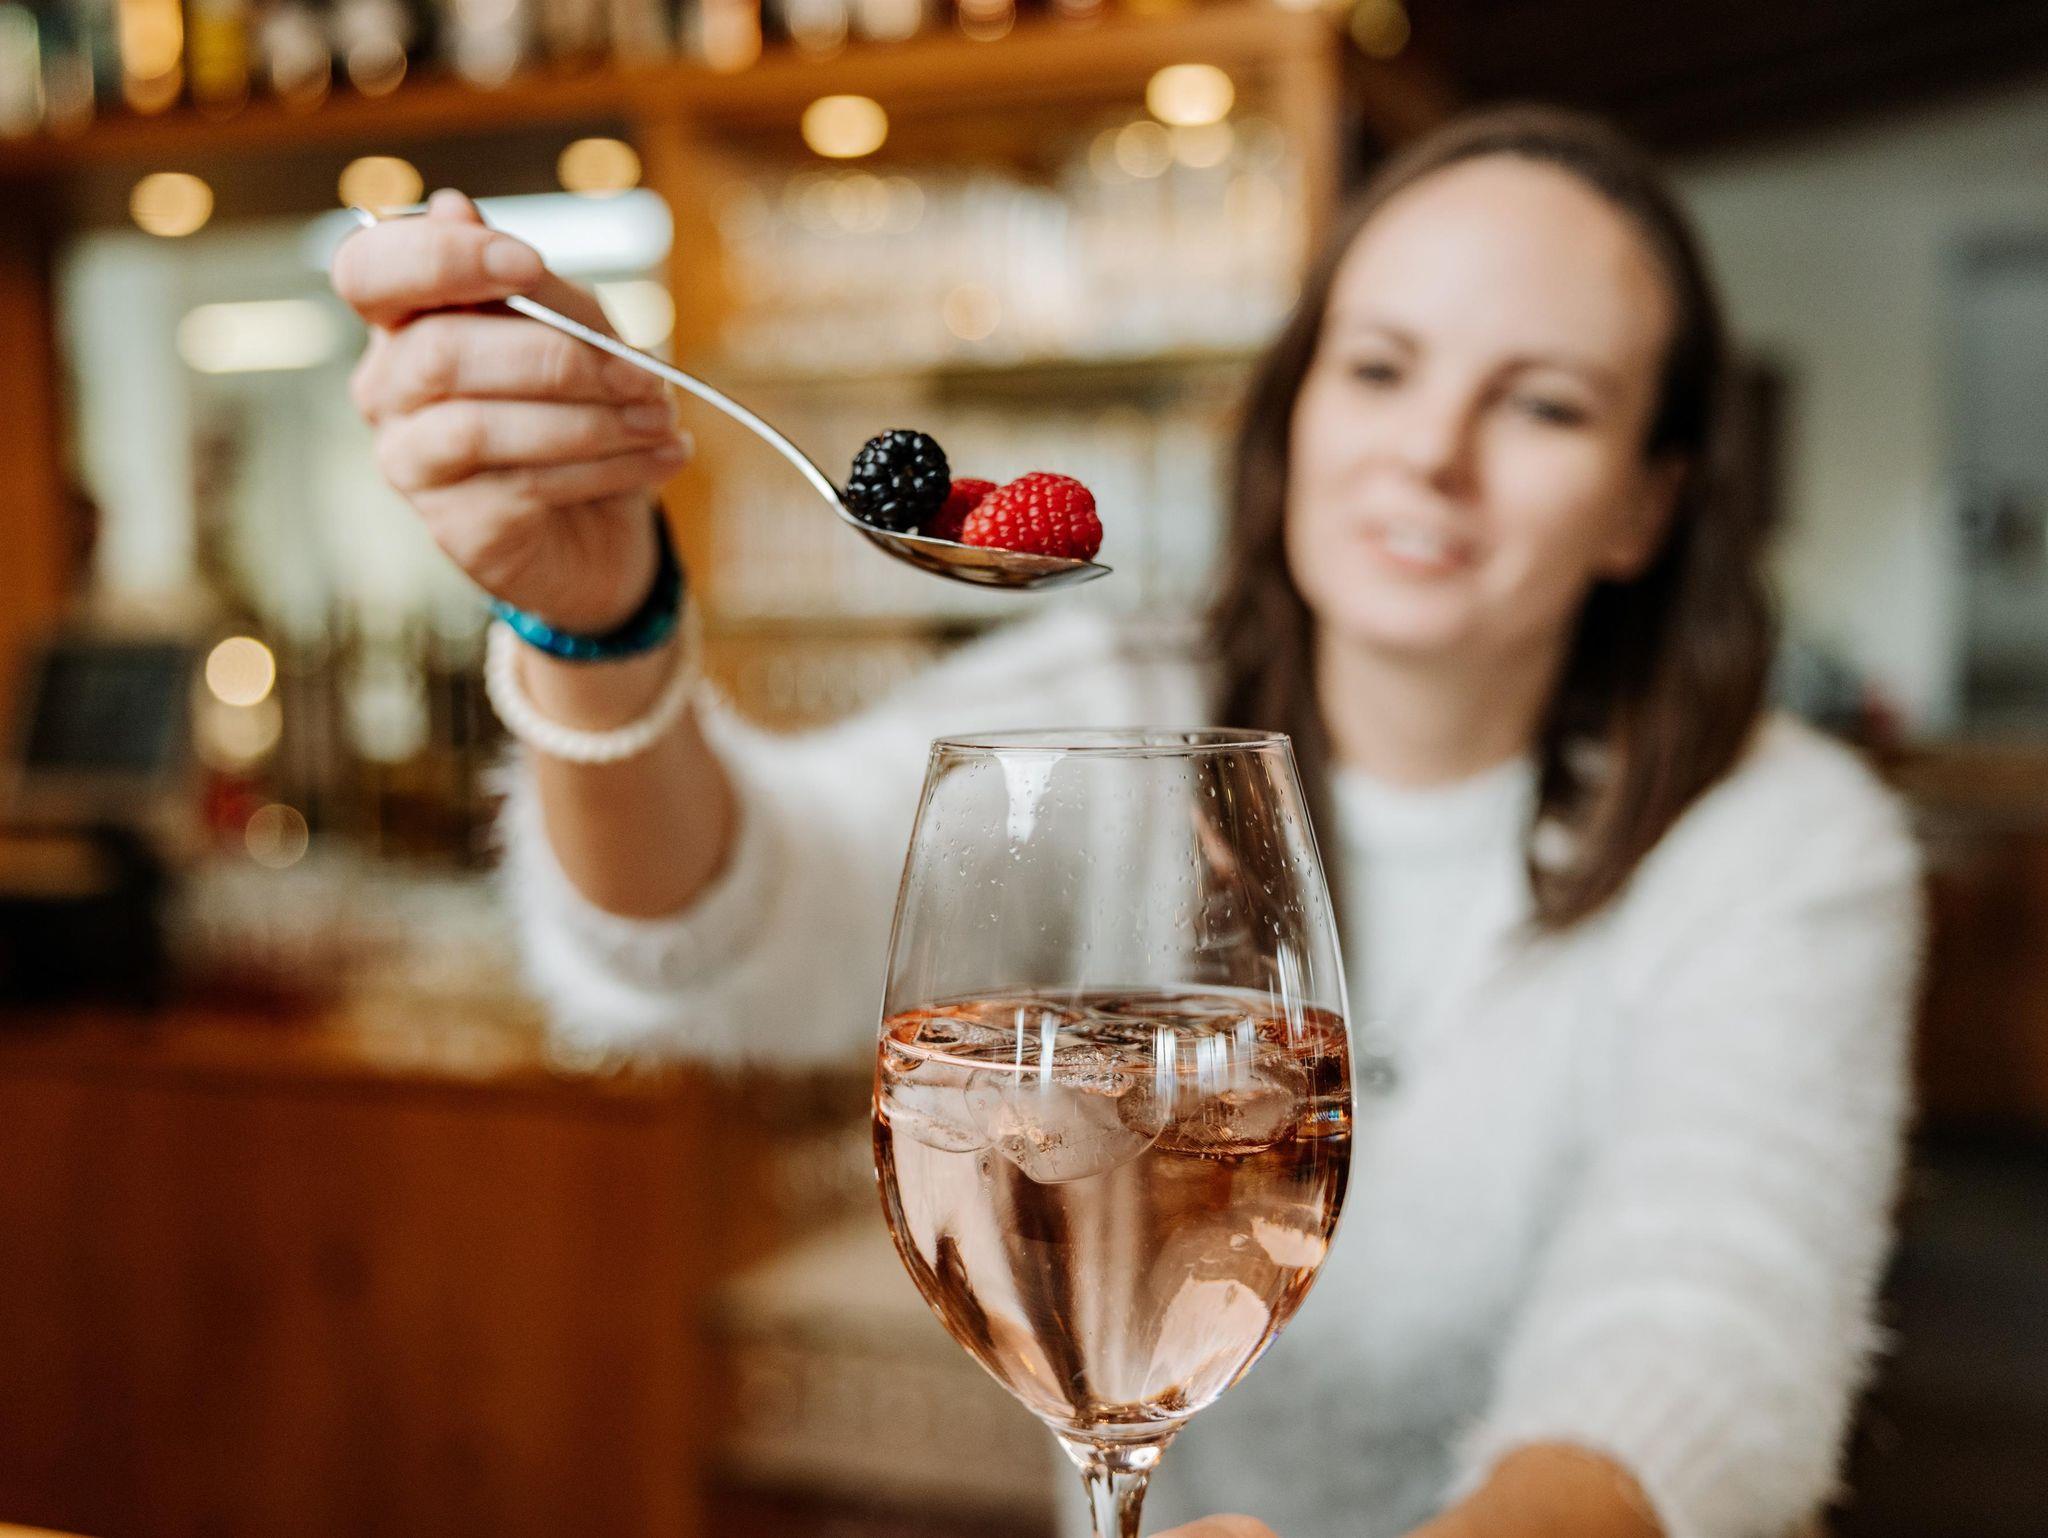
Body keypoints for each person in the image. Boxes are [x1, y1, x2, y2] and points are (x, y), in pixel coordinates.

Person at [334, 106, 1923, 1538]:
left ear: (1648, 501)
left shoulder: (1785, 840)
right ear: (1297, 408)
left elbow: (1701, 1342)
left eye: (1546, 406)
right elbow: (715, 924)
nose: (1431, 453)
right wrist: (600, 625)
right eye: (1379, 369)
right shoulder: (1113, 707)